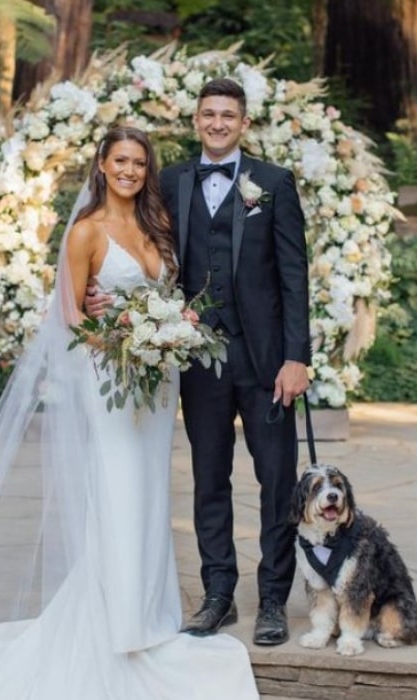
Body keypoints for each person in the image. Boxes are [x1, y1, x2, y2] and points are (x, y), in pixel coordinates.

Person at [0, 126, 259, 699]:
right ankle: (116, 621)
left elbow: (170, 294)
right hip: (111, 376)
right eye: (120, 160)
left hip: (158, 379)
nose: (129, 170)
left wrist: (170, 329)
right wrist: (122, 340)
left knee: (150, 492)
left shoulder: (157, 224)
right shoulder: (86, 230)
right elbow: (70, 315)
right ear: (102, 163)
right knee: (117, 490)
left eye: (139, 163)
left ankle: (149, 615)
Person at [158, 78, 311, 645]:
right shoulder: (170, 181)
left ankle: (272, 599)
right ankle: (218, 594)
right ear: (196, 120)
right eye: (208, 114)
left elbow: (293, 276)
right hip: (199, 360)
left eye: (228, 115)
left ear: (244, 123)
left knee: (276, 481)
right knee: (208, 479)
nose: (217, 123)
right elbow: (151, 257)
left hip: (265, 359)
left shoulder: (273, 182)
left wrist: (297, 358)